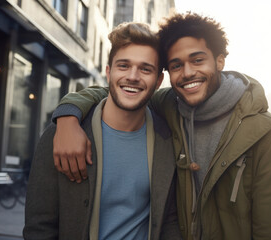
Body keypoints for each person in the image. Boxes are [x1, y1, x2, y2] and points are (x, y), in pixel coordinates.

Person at [52, 13, 271, 239]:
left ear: (220, 61)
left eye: (198, 60)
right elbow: (118, 91)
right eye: (176, 65)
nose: (188, 73)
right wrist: (67, 117)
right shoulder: (169, 106)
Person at [23, 22, 181, 240]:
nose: (133, 76)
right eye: (123, 66)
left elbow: (169, 220)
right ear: (109, 72)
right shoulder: (60, 133)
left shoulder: (167, 139)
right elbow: (39, 227)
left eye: (145, 69)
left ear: (158, 81)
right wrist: (68, 119)